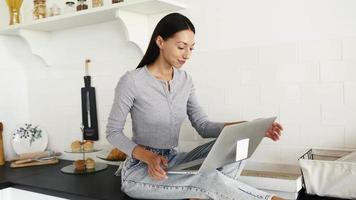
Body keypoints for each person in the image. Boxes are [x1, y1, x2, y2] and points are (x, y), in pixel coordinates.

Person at [106, 12, 284, 200]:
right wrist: (149, 157)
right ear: (160, 42)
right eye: (181, 47)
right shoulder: (132, 81)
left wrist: (250, 127)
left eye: (191, 48)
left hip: (174, 161)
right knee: (208, 179)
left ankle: (200, 194)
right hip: (140, 170)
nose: (187, 55)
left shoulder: (185, 81)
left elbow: (203, 126)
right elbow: (113, 132)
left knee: (236, 146)